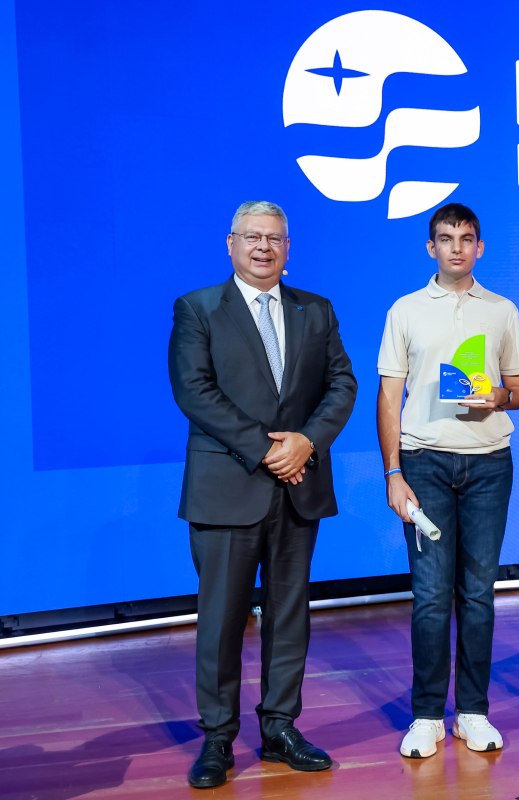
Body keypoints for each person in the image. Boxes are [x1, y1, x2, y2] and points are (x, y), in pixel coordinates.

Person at [168, 201, 357, 788]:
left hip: (298, 488)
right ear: (231, 244)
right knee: (222, 619)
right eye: (252, 237)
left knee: (289, 615)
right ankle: (217, 738)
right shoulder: (198, 308)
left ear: (288, 248)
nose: (263, 247)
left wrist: (307, 441)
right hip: (228, 488)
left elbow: (342, 384)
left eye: (274, 238)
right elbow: (194, 391)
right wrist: (269, 449)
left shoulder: (315, 309)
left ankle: (280, 727)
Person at [377, 202, 519, 759]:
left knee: (479, 594)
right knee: (431, 596)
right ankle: (425, 716)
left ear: (479, 247)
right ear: (431, 247)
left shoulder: (503, 310)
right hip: (424, 464)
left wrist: (499, 397)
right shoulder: (406, 310)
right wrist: (393, 471)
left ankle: (472, 713)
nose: (457, 247)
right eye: (446, 238)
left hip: (489, 464)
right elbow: (388, 396)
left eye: (467, 238)